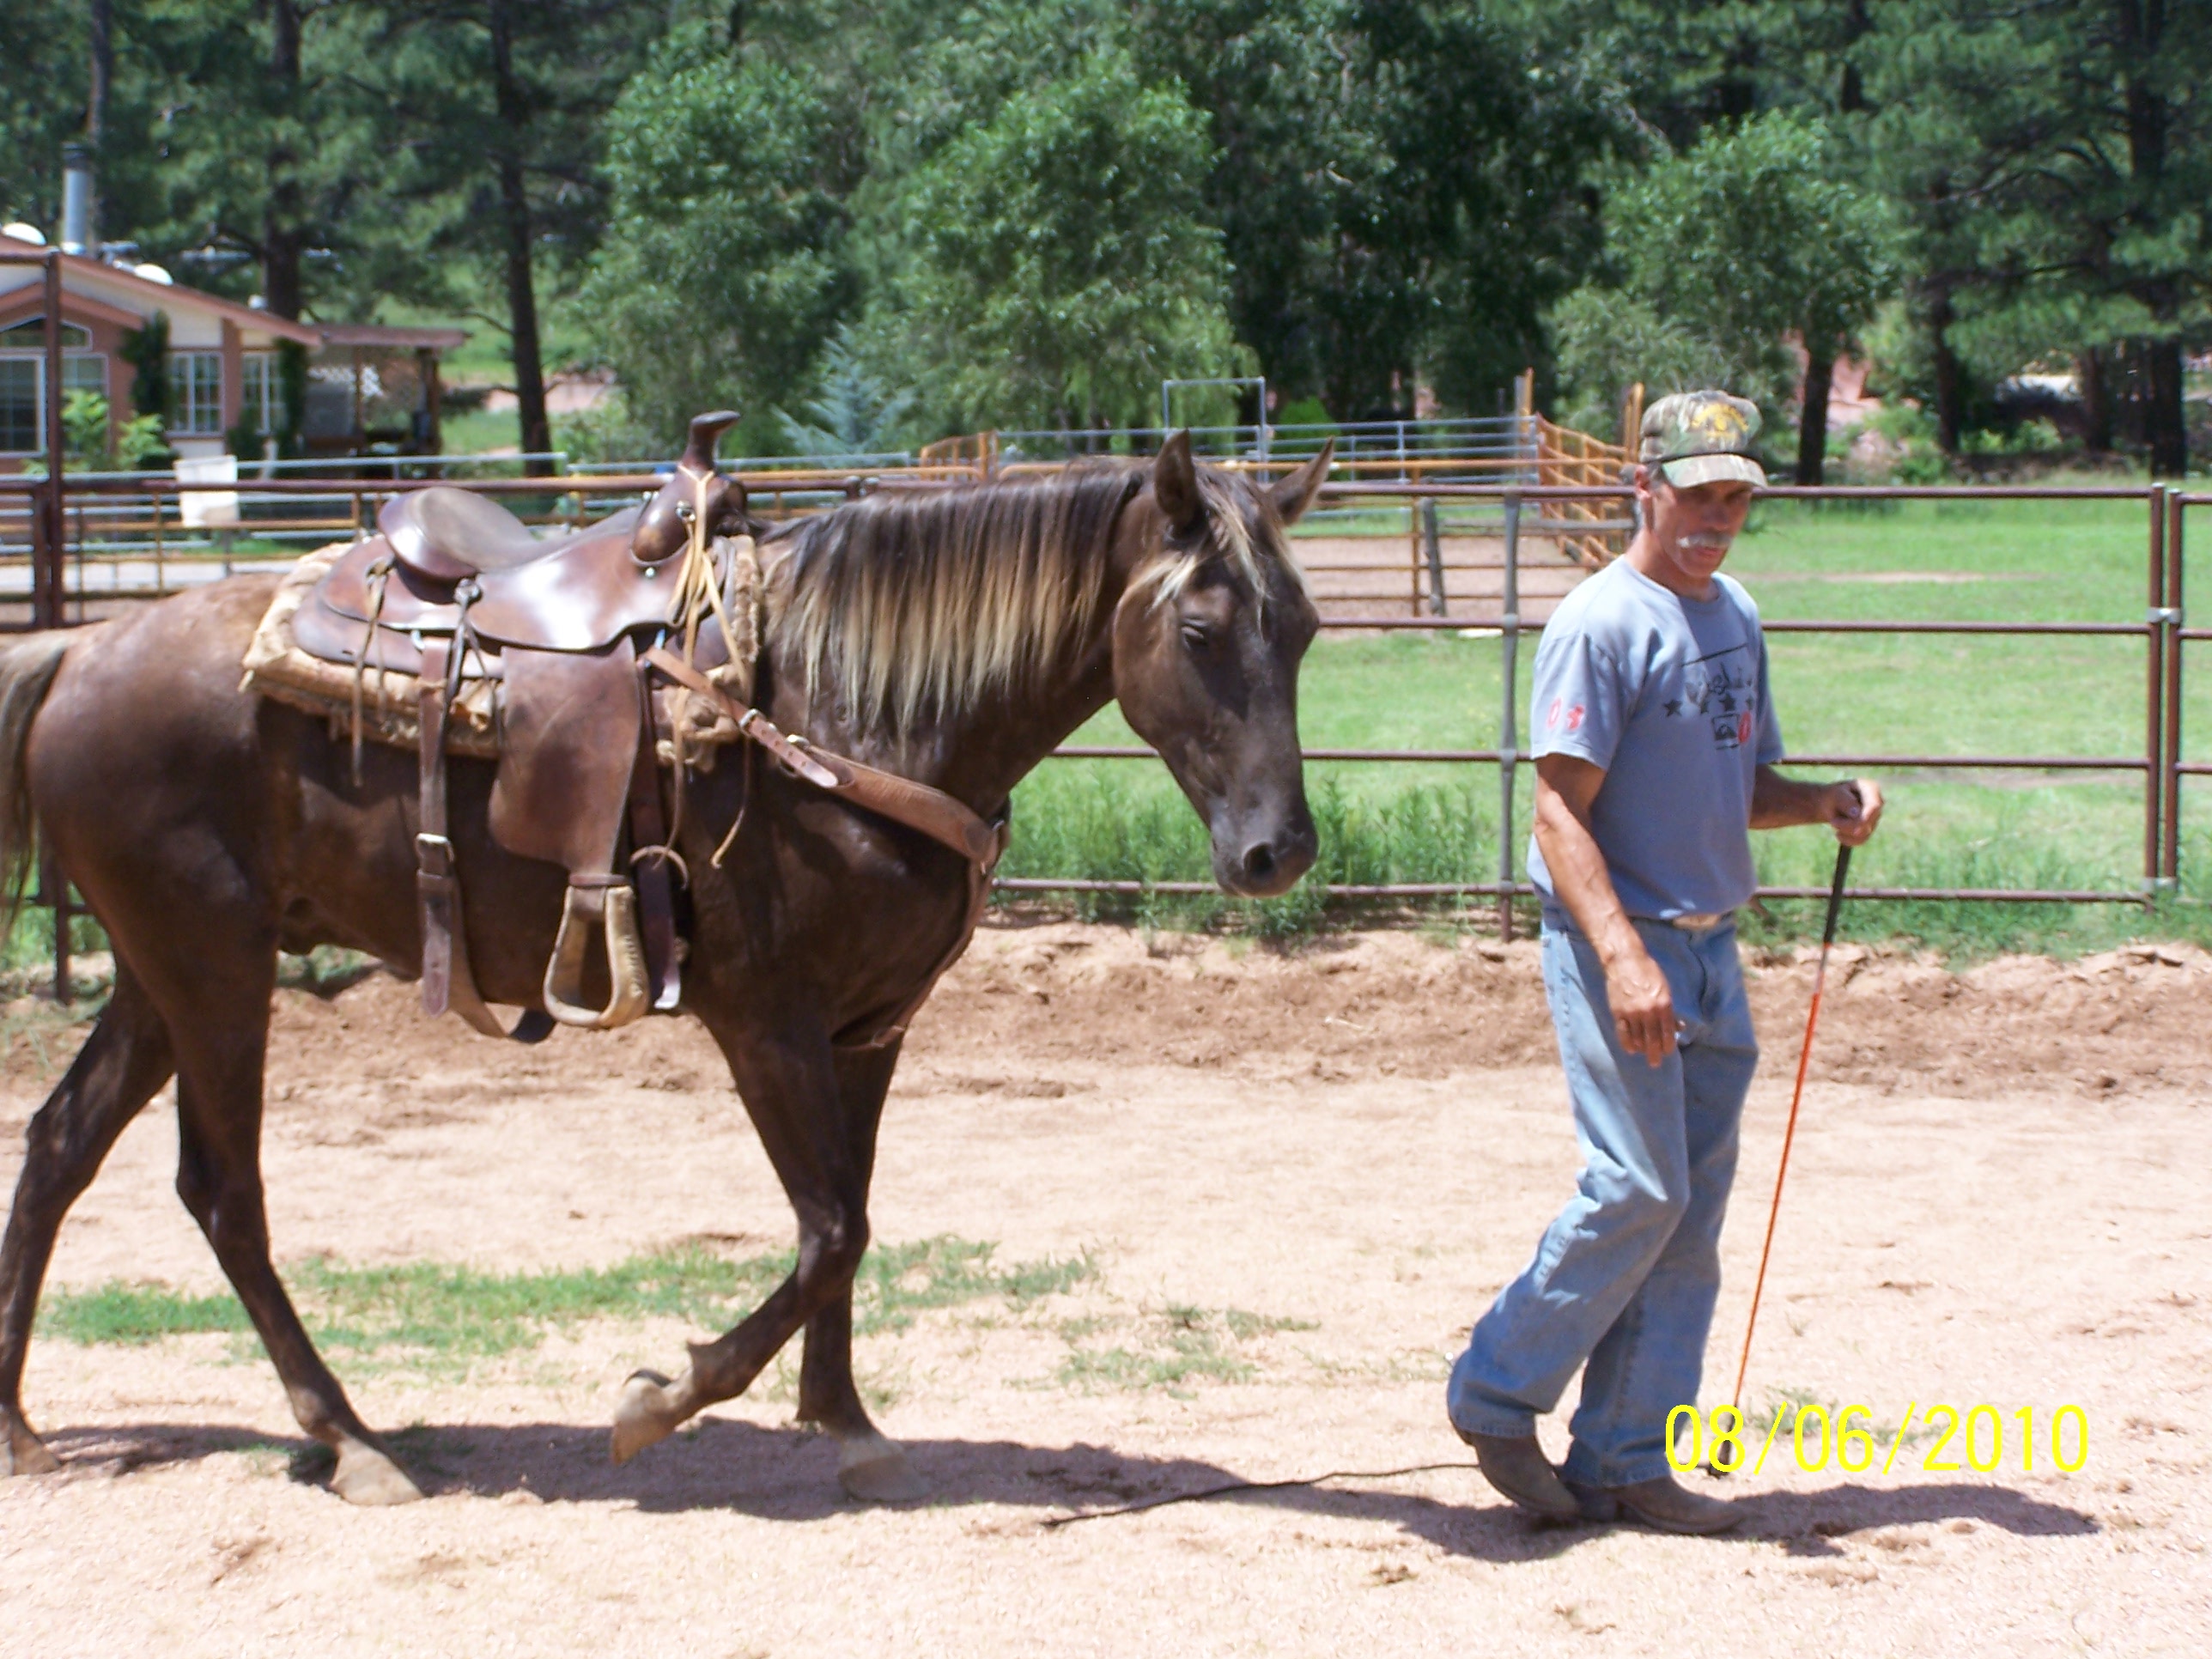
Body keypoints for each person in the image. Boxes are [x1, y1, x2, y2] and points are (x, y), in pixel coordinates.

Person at [1445, 390, 1883, 1534]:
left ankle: (1630, 1457)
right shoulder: (1599, 623)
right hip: (1621, 955)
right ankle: (1495, 1389)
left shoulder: (1732, 612)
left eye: (1737, 496)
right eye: (1699, 494)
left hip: (1711, 951)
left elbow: (1744, 789)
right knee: (1638, 1188)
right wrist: (1622, 956)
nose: (1719, 516)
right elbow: (1554, 812)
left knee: (1688, 1219)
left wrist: (1824, 801)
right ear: (1644, 489)